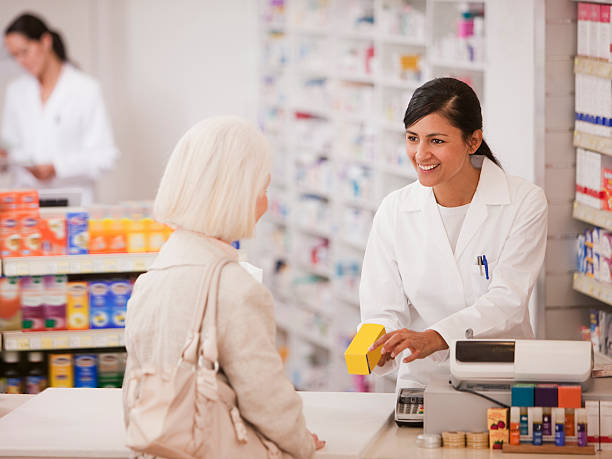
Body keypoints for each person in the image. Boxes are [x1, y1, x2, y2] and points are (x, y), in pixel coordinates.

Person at [122, 116, 325, 458]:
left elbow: (135, 386)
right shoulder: (234, 287)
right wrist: (301, 442)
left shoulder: (152, 276)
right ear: (238, 194)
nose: (265, 202)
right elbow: (266, 397)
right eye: (263, 188)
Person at [359, 77, 548, 389]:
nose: (420, 154)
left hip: (500, 377)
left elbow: (508, 300)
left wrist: (437, 337)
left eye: (436, 141)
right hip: (423, 380)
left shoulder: (523, 201)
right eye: (412, 138)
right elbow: (381, 307)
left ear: (472, 141)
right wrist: (379, 342)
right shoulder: (395, 209)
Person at [1, 13, 117, 205]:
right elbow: (9, 147)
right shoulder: (16, 91)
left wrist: (57, 167)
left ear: (45, 42)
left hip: (72, 202)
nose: (21, 61)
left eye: (25, 52)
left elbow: (105, 156)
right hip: (26, 202)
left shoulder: (85, 89)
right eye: (15, 56)